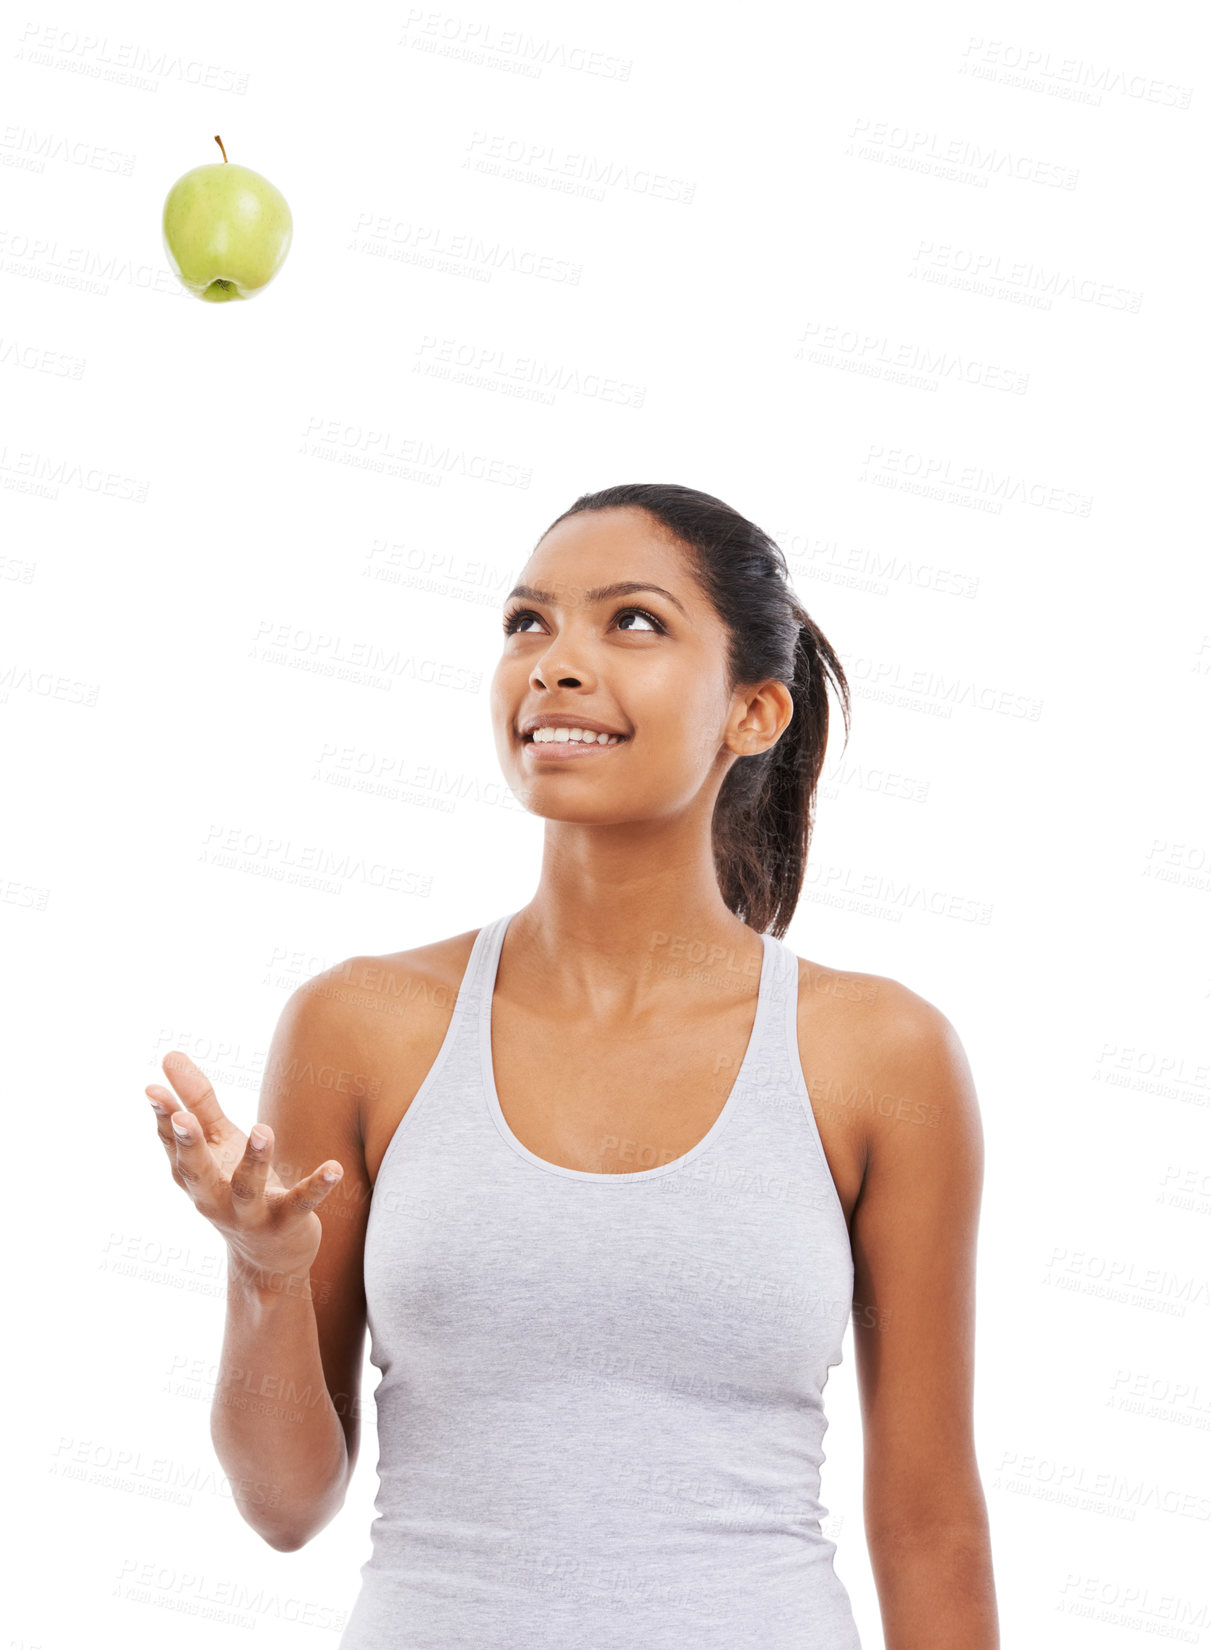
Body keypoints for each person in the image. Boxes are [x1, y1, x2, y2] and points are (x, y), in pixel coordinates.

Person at [145, 483, 999, 1649]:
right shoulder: (363, 1024)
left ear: (752, 711)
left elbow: (929, 1521)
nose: (552, 663)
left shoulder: (877, 1053)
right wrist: (262, 1274)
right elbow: (286, 1506)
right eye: (525, 624)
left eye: (632, 621)